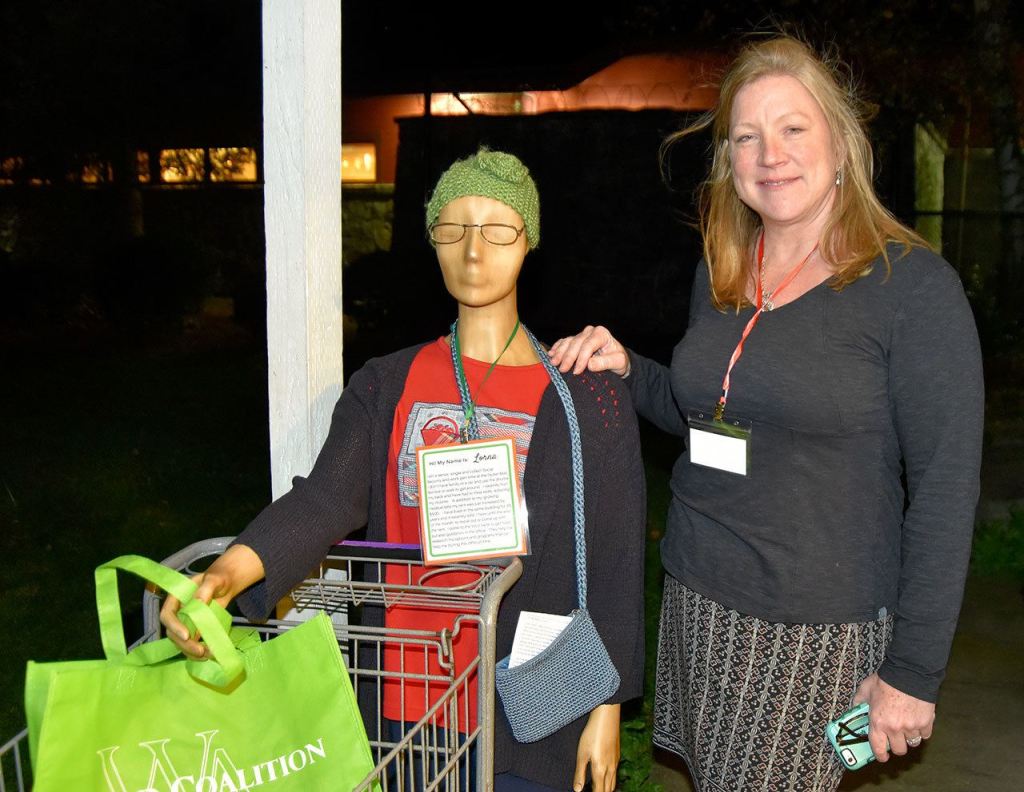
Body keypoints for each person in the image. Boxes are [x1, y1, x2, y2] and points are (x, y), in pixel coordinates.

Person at [548, 35, 983, 792]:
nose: (769, 153)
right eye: (746, 136)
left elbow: (946, 494)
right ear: (728, 161)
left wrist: (911, 672)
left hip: (820, 634)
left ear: (840, 142)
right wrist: (631, 369)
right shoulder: (721, 270)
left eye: (793, 128)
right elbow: (710, 419)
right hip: (698, 598)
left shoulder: (912, 288)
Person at [161, 148, 646, 792]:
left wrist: (605, 705)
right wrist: (225, 574)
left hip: (532, 705)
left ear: (528, 240)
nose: (474, 250)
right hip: (406, 702)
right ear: (433, 243)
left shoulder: (585, 394)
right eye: (453, 229)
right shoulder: (387, 384)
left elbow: (615, 556)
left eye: (497, 229)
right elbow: (325, 500)